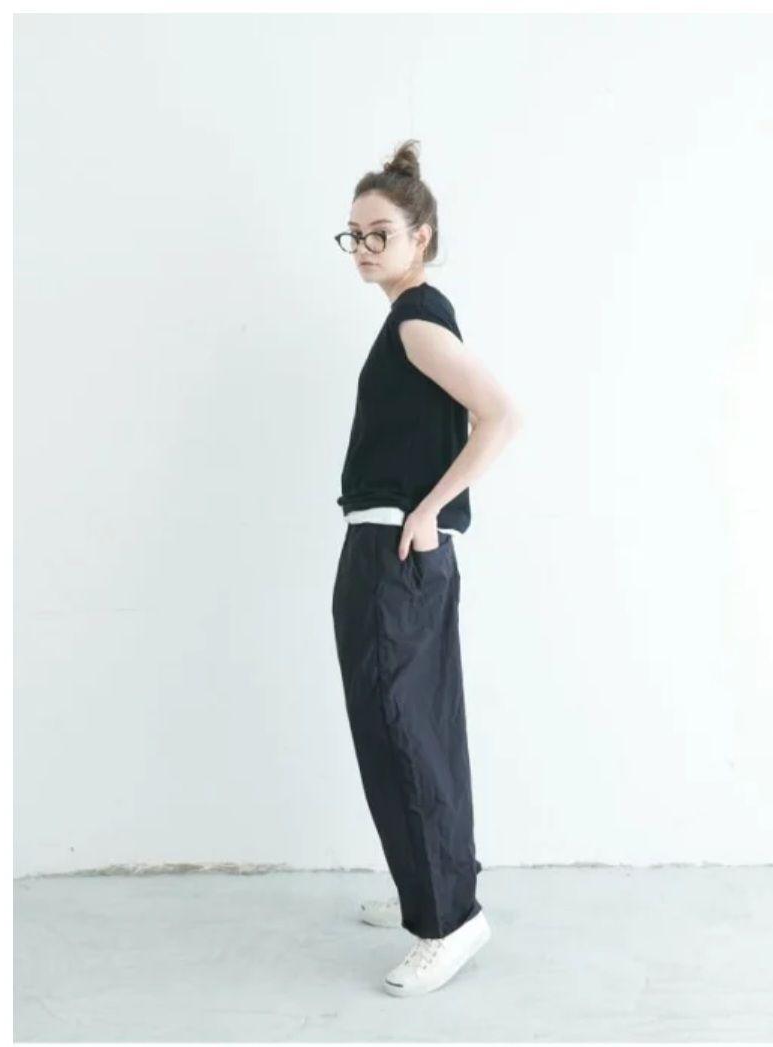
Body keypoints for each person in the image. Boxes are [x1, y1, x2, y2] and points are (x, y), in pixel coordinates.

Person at [331, 139, 523, 996]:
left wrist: (428, 510)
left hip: (395, 553)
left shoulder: (416, 320)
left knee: (403, 731)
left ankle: (447, 919)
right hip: (398, 554)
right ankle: (431, 889)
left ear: (422, 235)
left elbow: (501, 415)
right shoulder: (414, 316)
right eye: (354, 234)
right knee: (417, 726)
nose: (364, 247)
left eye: (380, 232)